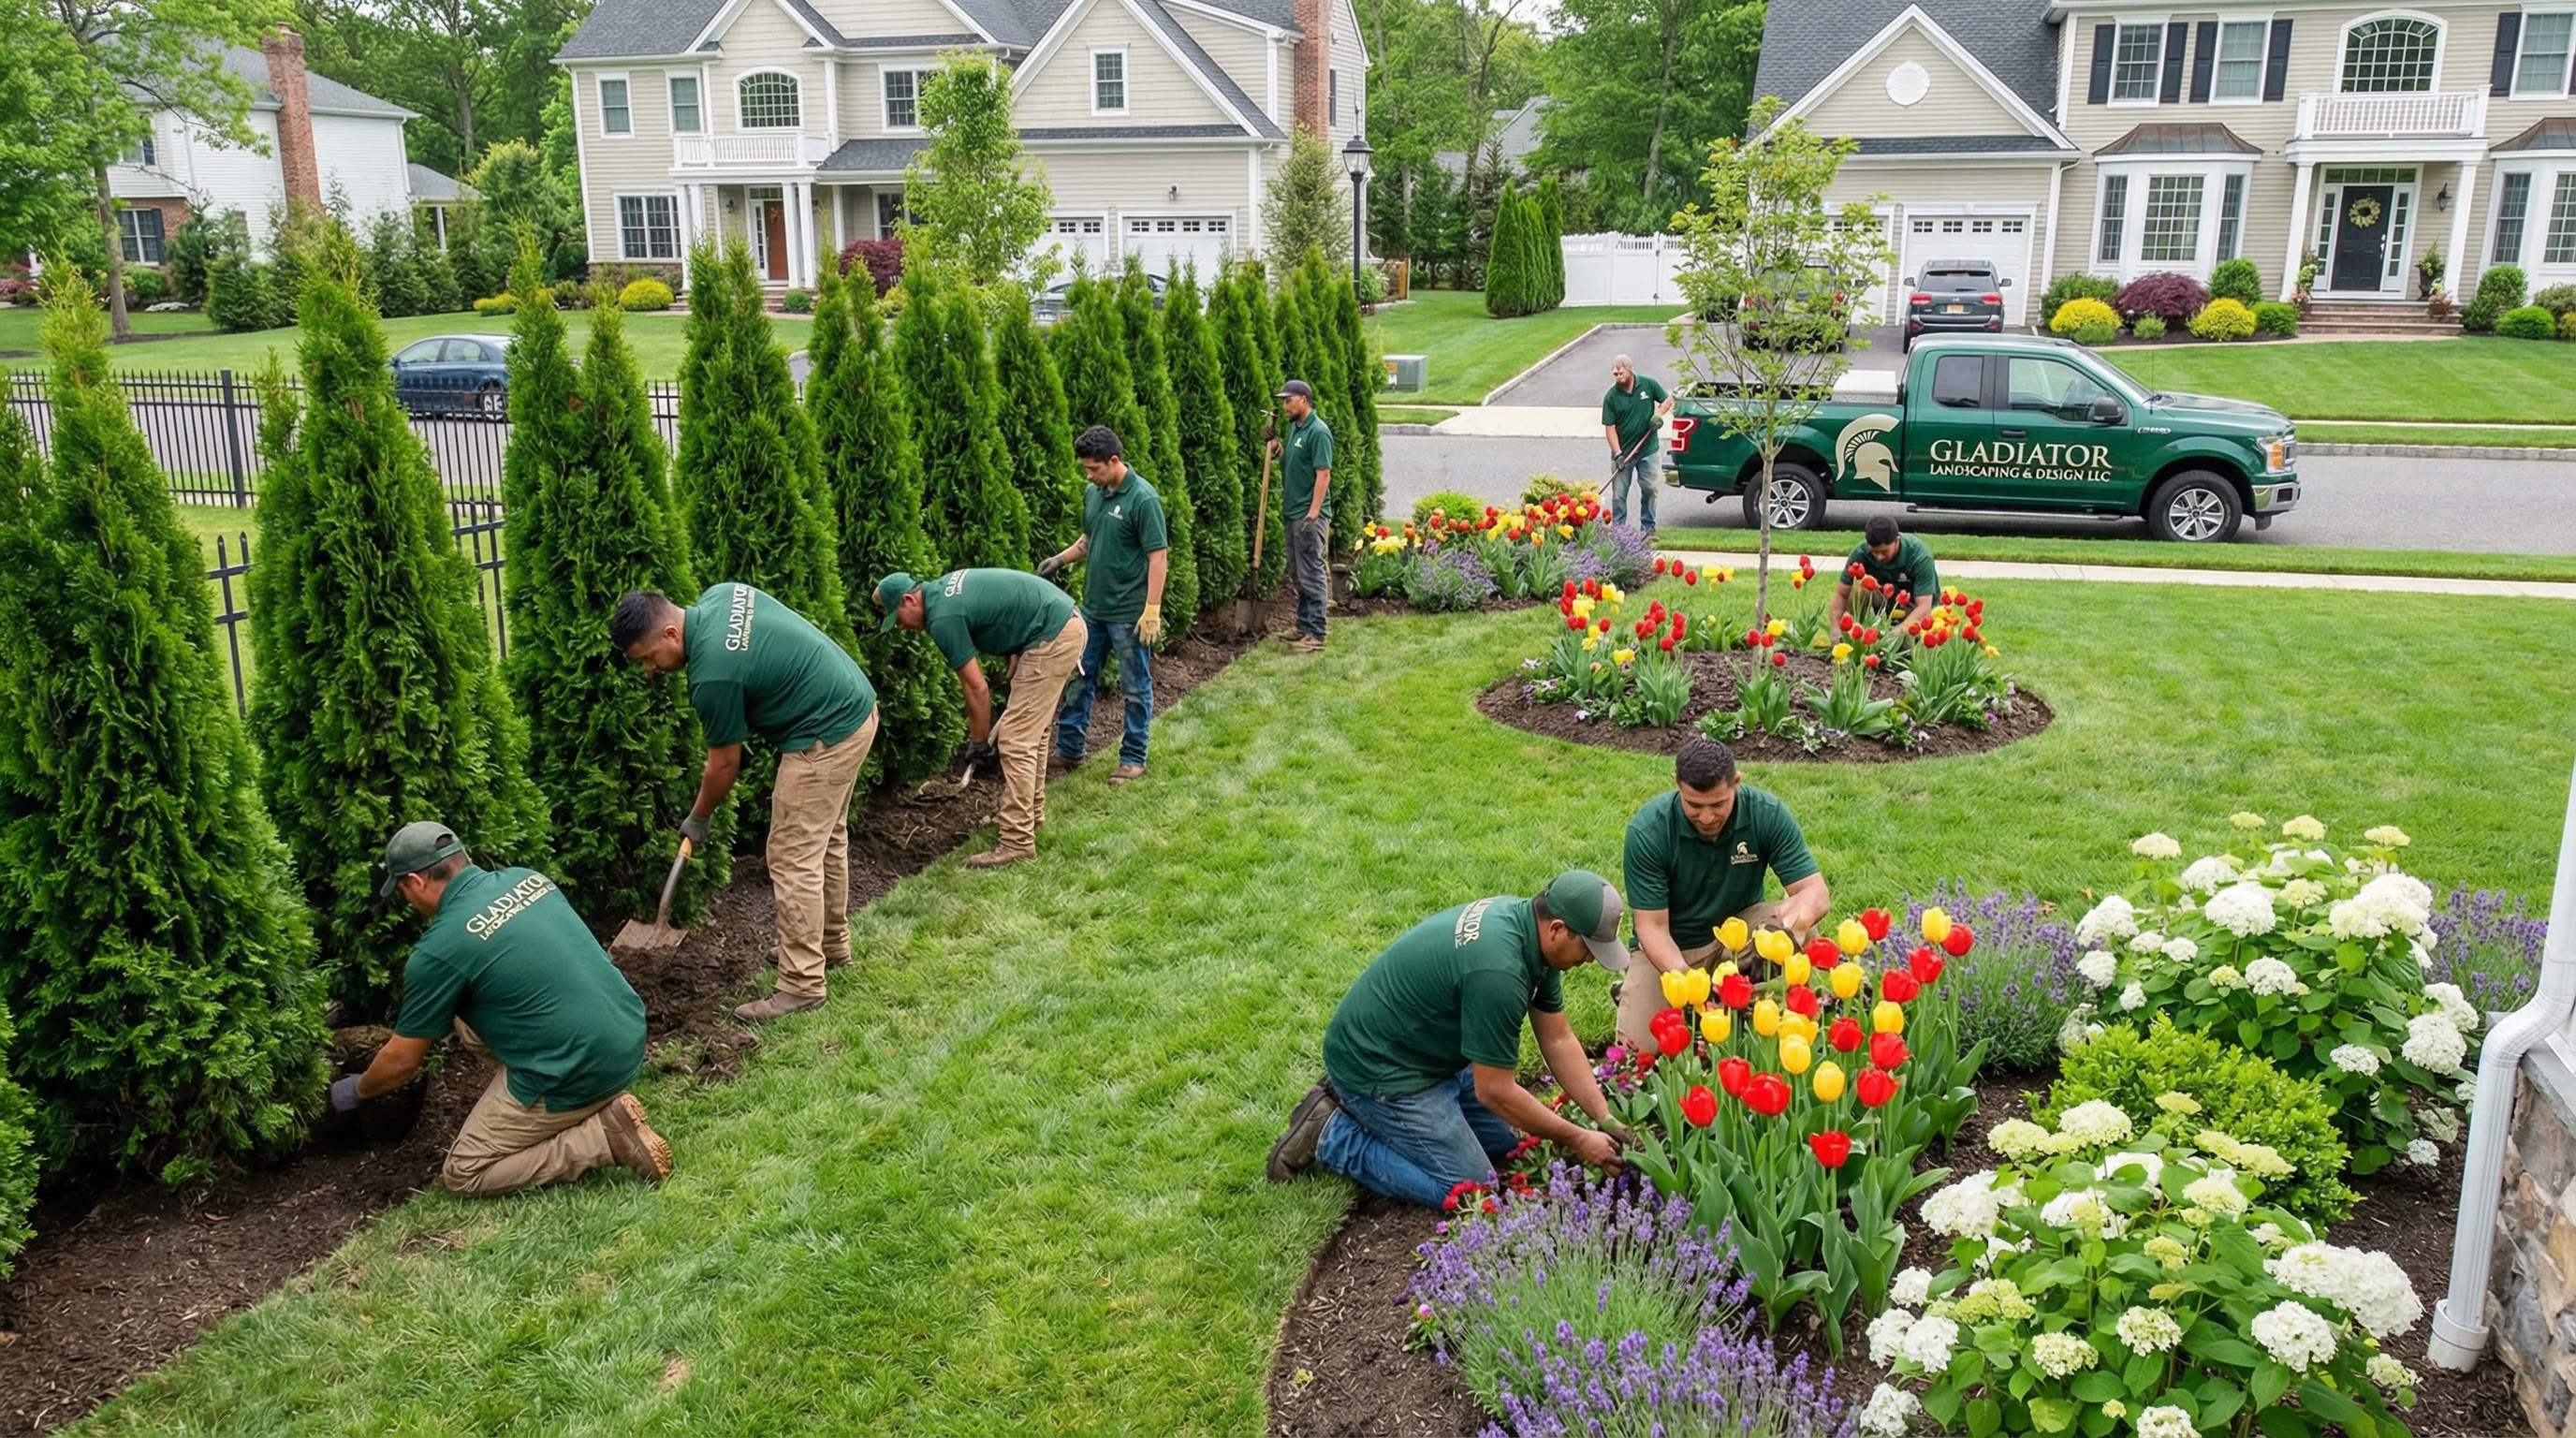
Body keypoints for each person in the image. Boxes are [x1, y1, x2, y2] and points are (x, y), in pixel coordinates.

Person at [330, 821, 671, 1196]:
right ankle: (570, 1097)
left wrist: (357, 1091)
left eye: (402, 891)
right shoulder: (527, 879)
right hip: (626, 1034)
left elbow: (402, 1062)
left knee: (465, 1172)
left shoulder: (439, 950)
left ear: (415, 881)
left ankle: (601, 1137)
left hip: (581, 1065)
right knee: (470, 1020)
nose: (407, 902)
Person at [1267, 872, 1633, 1207]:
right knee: (1471, 1191)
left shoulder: (1528, 931)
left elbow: (1557, 1039)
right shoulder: (1498, 971)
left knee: (1511, 1146)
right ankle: (1332, 1136)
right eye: (1588, 946)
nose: (1589, 958)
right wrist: (1577, 1138)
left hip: (1427, 1055)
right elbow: (1494, 1090)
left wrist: (1604, 1118)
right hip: (1383, 1068)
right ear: (1557, 928)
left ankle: (1366, 1109)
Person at [612, 582, 877, 1021]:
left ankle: (802, 984)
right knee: (825, 842)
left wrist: (698, 817)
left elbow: (723, 765)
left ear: (672, 635)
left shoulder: (712, 676)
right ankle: (828, 946)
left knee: (793, 856)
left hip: (823, 736)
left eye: (647, 658)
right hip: (854, 708)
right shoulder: (722, 595)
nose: (650, 671)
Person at [1613, 737, 1831, 1052]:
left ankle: (1768, 1007)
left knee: (1803, 929)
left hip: (1737, 935)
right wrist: (1692, 984)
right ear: (1677, 785)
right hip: (1673, 948)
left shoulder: (1765, 813)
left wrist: (1784, 932)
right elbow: (1652, 928)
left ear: (1736, 783)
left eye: (1718, 804)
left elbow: (1815, 893)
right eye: (1694, 805)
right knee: (1642, 1052)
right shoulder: (1649, 831)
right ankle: (1637, 991)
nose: (1706, 817)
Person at [874, 567, 1089, 868]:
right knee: (1032, 734)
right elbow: (1008, 603)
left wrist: (978, 742)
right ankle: (1031, 815)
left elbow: (976, 688)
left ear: (909, 600)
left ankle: (1016, 841)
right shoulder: (942, 591)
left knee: (1016, 740)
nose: (899, 627)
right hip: (1057, 624)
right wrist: (1018, 647)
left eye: (896, 618)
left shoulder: (942, 618)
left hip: (1053, 634)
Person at [1044, 425, 1167, 786]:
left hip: (1129, 613)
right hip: (1093, 610)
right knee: (1080, 679)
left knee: (1134, 686)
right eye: (1086, 469)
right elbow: (1088, 539)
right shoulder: (1093, 494)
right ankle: (1069, 750)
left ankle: (1132, 758)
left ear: (1114, 461)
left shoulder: (1143, 499)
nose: (1089, 475)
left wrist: (1152, 608)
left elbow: (1157, 557)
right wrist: (1059, 560)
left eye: (1094, 468)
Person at [1269, 378, 1333, 654]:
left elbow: (1323, 474)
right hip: (1292, 511)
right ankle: (1303, 625)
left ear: (1303, 400)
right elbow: (1292, 464)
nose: (1284, 406)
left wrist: (1313, 514)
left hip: (1308, 515)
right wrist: (1276, 448)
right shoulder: (1296, 428)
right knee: (1298, 572)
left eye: (1288, 400)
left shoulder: (1318, 432)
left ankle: (1316, 633)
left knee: (1311, 573)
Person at [1827, 516, 1939, 636]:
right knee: (1861, 587)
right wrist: (1836, 628)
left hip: (1912, 610)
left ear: (1897, 541)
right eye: (1874, 551)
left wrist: (1895, 634)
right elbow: (1842, 594)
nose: (1879, 557)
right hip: (1883, 603)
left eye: (1884, 552)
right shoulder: (1860, 553)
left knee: (1903, 644)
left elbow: (1924, 607)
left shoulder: (1919, 557)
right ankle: (1854, 635)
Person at [1600, 355, 1672, 537]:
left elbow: (1668, 401)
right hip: (1623, 453)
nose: (1617, 377)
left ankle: (1648, 529)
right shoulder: (1611, 396)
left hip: (1648, 450)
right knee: (1619, 495)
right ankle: (1620, 532)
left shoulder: (1648, 384)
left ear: (1630, 370)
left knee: (1650, 488)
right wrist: (1618, 454)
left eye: (1620, 373)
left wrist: (1658, 415)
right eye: (1614, 374)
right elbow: (1610, 428)